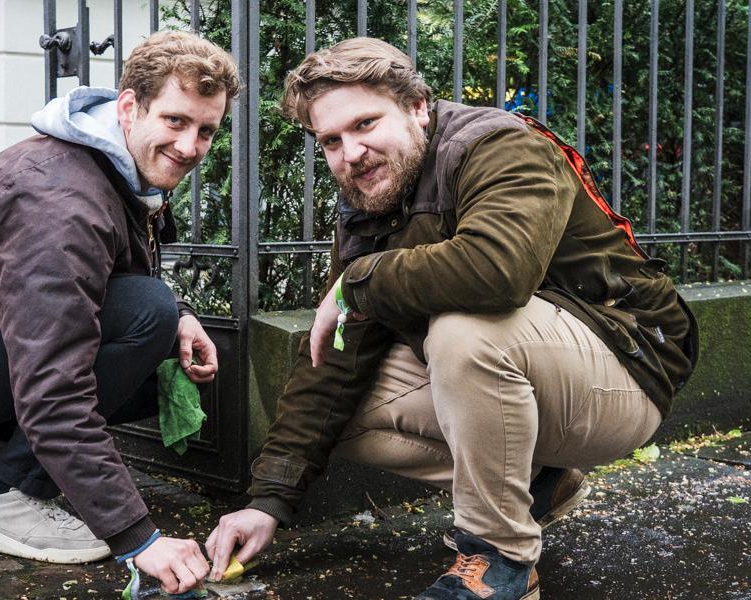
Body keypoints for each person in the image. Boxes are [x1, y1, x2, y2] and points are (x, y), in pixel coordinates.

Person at [205, 37, 698, 600]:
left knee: (464, 328)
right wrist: (267, 501)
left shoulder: (500, 148)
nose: (351, 153)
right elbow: (339, 358)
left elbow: (497, 272)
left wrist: (360, 281)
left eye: (366, 123)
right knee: (337, 390)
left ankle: (500, 561)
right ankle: (540, 484)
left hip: (628, 365)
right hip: (532, 376)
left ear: (417, 106)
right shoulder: (371, 201)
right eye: (331, 141)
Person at [0, 31, 241, 595]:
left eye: (206, 129)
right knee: (145, 317)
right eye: (176, 122)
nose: (190, 146)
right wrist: (138, 538)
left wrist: (181, 315)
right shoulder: (59, 201)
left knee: (159, 332)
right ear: (130, 108)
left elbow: (98, 283)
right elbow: (53, 385)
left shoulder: (110, 166)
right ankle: (8, 499)